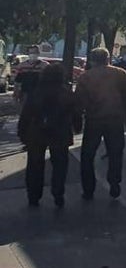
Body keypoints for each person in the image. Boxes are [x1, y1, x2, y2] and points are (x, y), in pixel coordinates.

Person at [75, 48, 126, 201]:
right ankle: (114, 182)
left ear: (92, 60)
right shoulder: (120, 73)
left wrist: (77, 121)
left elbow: (79, 101)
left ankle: (88, 189)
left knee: (88, 155)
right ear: (107, 58)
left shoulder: (85, 77)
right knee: (116, 153)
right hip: (115, 119)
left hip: (94, 119)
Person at [17, 62, 80, 208]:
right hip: (60, 132)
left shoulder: (36, 92)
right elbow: (75, 113)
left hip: (37, 132)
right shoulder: (66, 92)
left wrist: (22, 132)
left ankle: (34, 196)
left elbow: (26, 114)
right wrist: (77, 127)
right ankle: (58, 193)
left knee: (34, 165)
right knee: (60, 165)